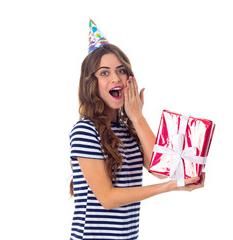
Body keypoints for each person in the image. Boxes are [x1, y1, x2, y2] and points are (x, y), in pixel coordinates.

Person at [69, 19, 205, 240]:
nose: (116, 78)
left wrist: (137, 117)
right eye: (104, 73)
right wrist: (170, 187)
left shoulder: (127, 129)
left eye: (121, 71)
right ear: (91, 83)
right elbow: (108, 198)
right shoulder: (85, 131)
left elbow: (160, 169)